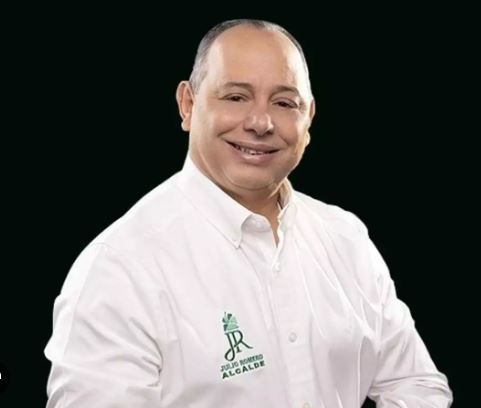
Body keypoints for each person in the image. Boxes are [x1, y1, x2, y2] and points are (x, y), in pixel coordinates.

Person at [44, 19, 453, 407]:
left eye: (284, 102)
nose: (261, 122)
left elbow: (417, 384)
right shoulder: (120, 269)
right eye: (236, 97)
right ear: (188, 105)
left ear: (308, 118)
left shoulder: (345, 238)